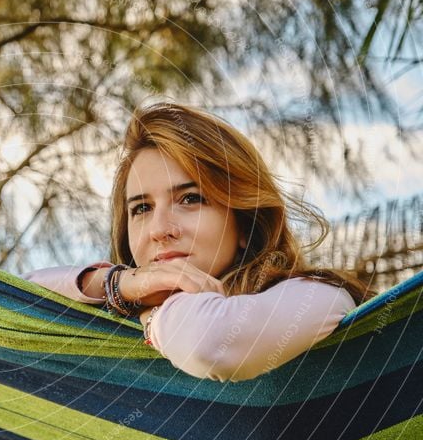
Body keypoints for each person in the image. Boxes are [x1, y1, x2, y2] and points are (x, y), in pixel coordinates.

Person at [25, 102, 371, 382]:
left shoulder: (320, 297)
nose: (160, 229)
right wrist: (116, 284)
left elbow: (210, 343)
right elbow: (18, 298)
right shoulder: (122, 324)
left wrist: (154, 309)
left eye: (190, 199)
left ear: (245, 221)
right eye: (142, 208)